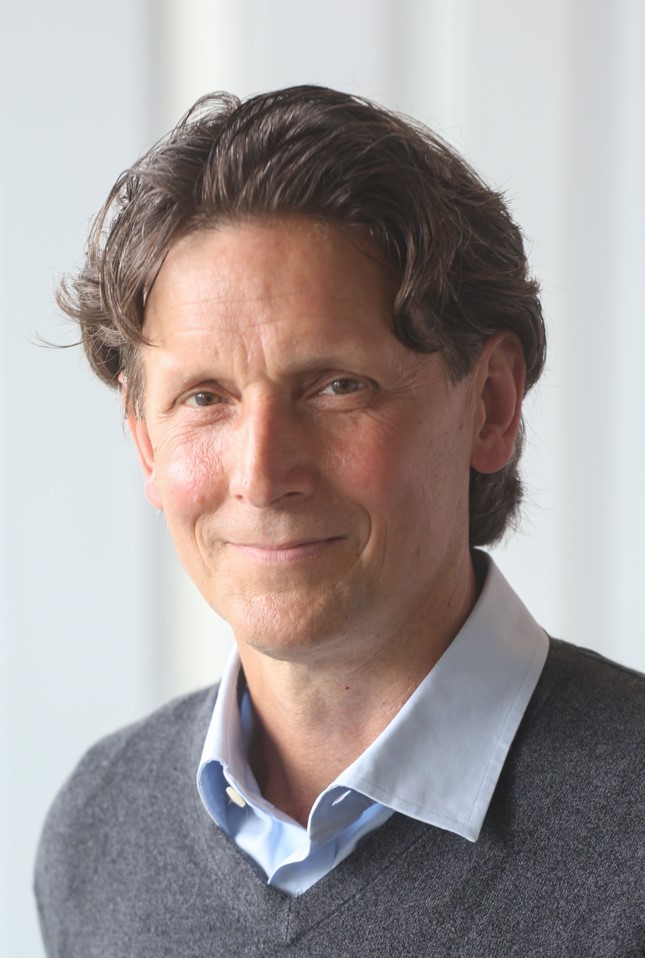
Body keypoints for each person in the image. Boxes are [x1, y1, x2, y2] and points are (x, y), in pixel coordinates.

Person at [35, 86, 643, 956]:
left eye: (335, 387)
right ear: (144, 443)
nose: (261, 476)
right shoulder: (99, 832)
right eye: (203, 398)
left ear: (490, 405)